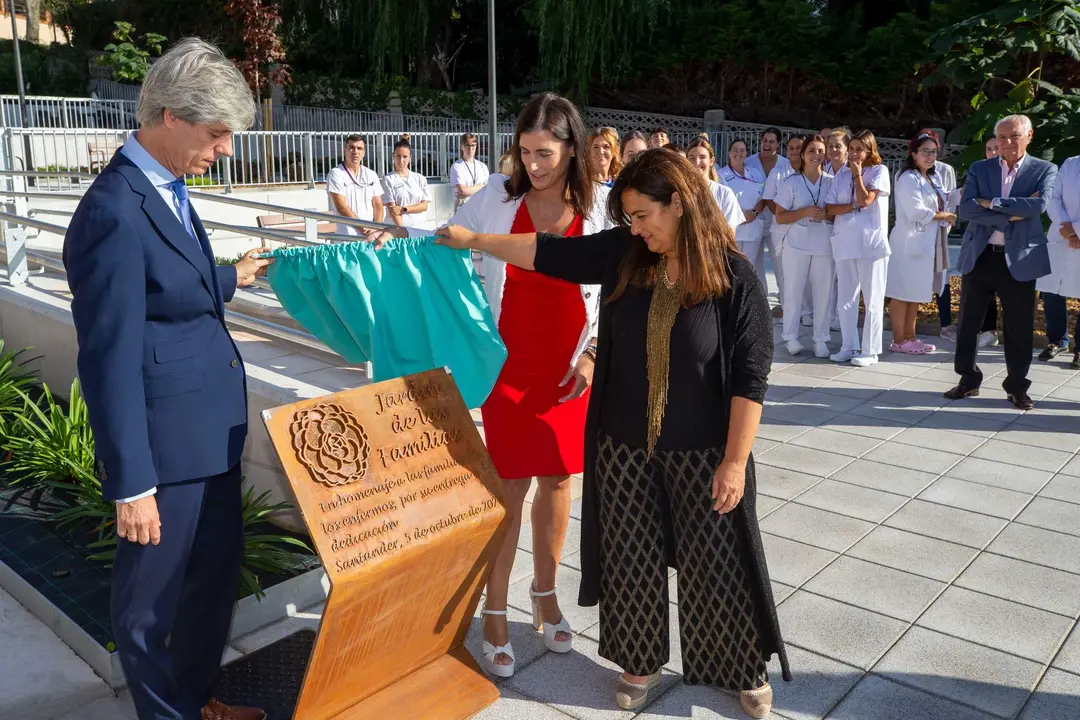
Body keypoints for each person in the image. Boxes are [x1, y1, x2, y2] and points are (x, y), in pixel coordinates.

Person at [433, 148, 789, 718]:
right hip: (624, 442)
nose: (636, 227)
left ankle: (737, 665)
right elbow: (550, 254)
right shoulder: (628, 254)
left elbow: (752, 376)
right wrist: (474, 241)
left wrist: (734, 461)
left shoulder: (731, 276)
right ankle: (638, 661)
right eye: (628, 217)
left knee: (715, 559)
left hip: (703, 447)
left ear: (679, 203)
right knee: (631, 556)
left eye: (643, 215)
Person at [63, 38, 271, 720]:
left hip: (209, 437)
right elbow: (110, 355)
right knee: (150, 608)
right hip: (164, 456)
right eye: (217, 135)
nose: (226, 150)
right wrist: (132, 483)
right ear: (170, 117)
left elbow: (165, 291)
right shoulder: (113, 211)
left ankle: (196, 699)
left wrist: (228, 277)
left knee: (210, 584)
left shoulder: (169, 187)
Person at [446, 92, 612, 679]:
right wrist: (389, 253)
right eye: (525, 152)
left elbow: (617, 289)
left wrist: (592, 357)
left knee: (560, 479)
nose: (534, 164)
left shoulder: (604, 206)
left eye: (546, 152)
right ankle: (494, 610)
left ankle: (545, 593)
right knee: (510, 486)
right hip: (509, 368)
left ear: (573, 148)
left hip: (568, 369)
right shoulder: (495, 195)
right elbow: (446, 243)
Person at [945, 114, 1058, 410]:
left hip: (1020, 259)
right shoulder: (980, 168)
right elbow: (967, 209)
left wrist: (990, 202)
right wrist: (1010, 214)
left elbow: (1039, 205)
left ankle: (1017, 387)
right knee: (968, 323)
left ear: (1029, 135)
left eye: (1014, 136)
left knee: (1019, 327)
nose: (1008, 143)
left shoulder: (1044, 169)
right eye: (1003, 137)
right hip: (980, 256)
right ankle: (968, 380)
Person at [825, 130, 891, 366]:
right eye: (851, 148)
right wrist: (851, 205)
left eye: (858, 149)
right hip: (844, 242)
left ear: (869, 150)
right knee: (846, 298)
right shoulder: (840, 175)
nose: (853, 153)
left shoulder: (879, 171)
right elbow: (830, 208)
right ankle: (848, 345)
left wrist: (858, 177)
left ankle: (870, 351)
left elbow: (866, 200)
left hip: (870, 245)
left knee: (872, 298)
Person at [886, 133, 956, 354]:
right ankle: (899, 339)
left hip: (926, 243)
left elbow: (946, 199)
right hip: (909, 242)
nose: (929, 156)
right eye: (924, 151)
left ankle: (911, 337)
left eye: (933, 152)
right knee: (901, 292)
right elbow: (916, 211)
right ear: (914, 154)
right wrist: (943, 215)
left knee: (915, 292)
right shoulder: (907, 177)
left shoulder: (932, 178)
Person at [775, 134, 835, 357]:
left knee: (823, 292)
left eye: (820, 151)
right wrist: (805, 212)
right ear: (802, 154)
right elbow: (780, 217)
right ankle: (790, 337)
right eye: (811, 151)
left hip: (824, 244)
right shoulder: (791, 182)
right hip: (796, 244)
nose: (816, 155)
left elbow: (838, 211)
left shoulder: (831, 181)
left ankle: (821, 339)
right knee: (793, 291)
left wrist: (827, 214)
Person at [938, 132, 998, 347]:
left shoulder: (1014, 176)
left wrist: (987, 204)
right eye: (989, 149)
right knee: (979, 286)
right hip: (979, 239)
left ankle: (993, 329)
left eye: (996, 148)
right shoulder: (978, 172)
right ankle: (982, 330)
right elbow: (968, 206)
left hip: (1005, 241)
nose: (992, 153)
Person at [1036, 154, 1080, 368]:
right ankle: (1057, 340)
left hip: (1074, 235)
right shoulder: (1071, 163)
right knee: (1052, 291)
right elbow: (1054, 197)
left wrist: (1077, 230)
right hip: (1060, 236)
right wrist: (1065, 227)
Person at [762, 134, 803, 311]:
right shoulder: (777, 172)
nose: (794, 152)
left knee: (804, 273)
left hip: (806, 230)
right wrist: (784, 216)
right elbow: (769, 199)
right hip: (781, 229)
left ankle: (805, 310)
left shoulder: (811, 171)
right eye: (791, 148)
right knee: (783, 272)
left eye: (798, 148)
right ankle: (788, 309)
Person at [719, 139, 768, 273]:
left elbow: (764, 197)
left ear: (746, 153)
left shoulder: (755, 174)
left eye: (742, 150)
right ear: (729, 153)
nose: (738, 153)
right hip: (733, 230)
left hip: (753, 228)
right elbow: (721, 202)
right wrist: (740, 216)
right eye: (735, 150)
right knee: (730, 269)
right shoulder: (721, 175)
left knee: (749, 269)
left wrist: (754, 213)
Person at [326, 134, 384, 235]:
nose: (355, 152)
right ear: (345, 150)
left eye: (359, 148)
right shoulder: (336, 173)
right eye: (352, 148)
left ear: (364, 153)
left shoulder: (371, 174)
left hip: (370, 235)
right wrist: (362, 226)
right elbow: (341, 206)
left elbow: (378, 205)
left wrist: (375, 228)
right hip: (346, 236)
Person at [685, 136, 744, 230]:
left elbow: (730, 235)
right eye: (692, 158)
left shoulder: (724, 193)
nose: (697, 162)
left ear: (711, 161)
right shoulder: (680, 192)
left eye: (702, 157)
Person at [381, 134, 430, 228]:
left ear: (410, 157)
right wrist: (403, 231)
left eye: (405, 156)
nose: (401, 160)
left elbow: (424, 206)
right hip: (399, 232)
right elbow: (393, 211)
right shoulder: (388, 180)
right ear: (393, 156)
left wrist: (404, 209)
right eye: (398, 156)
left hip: (420, 228)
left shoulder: (420, 178)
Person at [449, 132, 490, 210]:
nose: (470, 148)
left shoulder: (482, 166)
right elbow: (462, 191)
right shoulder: (457, 166)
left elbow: (488, 189)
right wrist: (481, 187)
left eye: (473, 145)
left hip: (480, 209)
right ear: (462, 147)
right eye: (467, 145)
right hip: (463, 209)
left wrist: (469, 190)